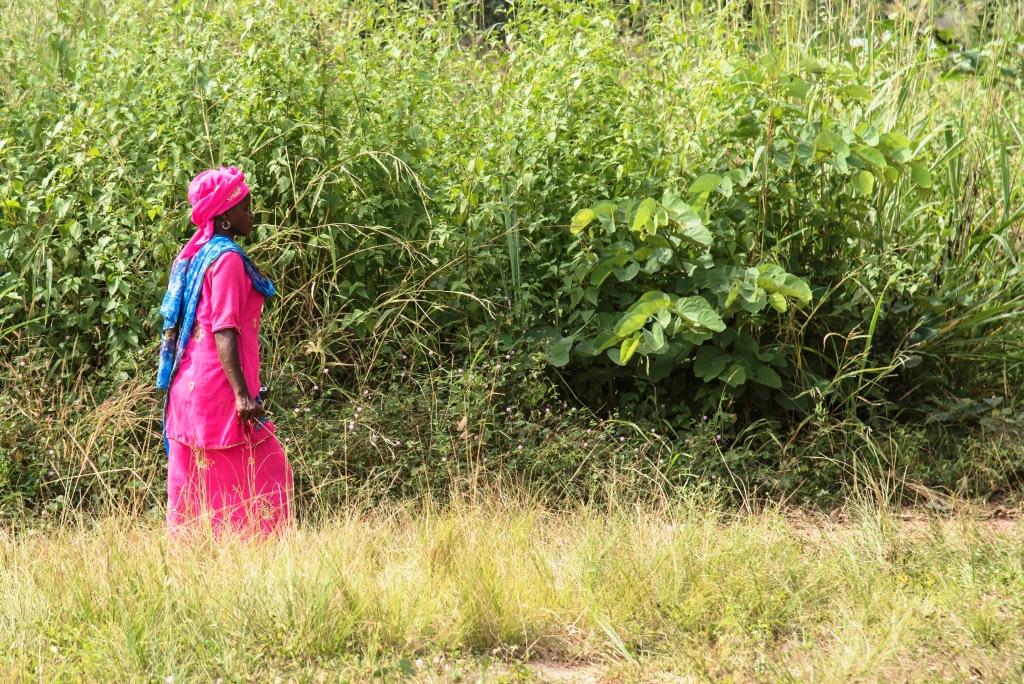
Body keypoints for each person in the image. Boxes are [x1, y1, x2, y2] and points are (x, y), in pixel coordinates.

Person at [156, 165, 292, 537]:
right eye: (245, 208)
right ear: (226, 216)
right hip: (218, 388)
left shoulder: (197, 253)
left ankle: (199, 553)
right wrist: (242, 395)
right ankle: (254, 552)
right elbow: (225, 329)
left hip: (189, 386)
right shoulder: (228, 259)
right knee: (267, 470)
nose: (251, 214)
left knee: (198, 483)